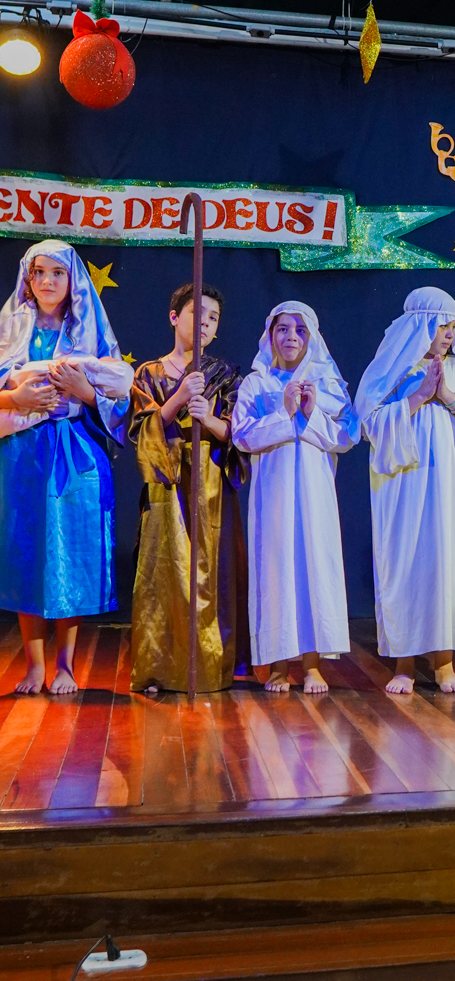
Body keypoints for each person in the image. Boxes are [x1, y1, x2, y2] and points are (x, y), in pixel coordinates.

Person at [0, 240, 132, 695]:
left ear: (72, 280)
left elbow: (121, 396)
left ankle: (65, 665)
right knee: (27, 551)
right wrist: (15, 397)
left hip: (75, 450)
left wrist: (84, 390)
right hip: (22, 453)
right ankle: (34, 665)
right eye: (39, 272)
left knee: (69, 552)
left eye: (57, 273)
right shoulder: (11, 327)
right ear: (28, 277)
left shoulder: (89, 332)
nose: (47, 281)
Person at [355, 288, 455, 695]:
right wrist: (418, 397)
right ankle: (404, 664)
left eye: (454, 327)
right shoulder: (393, 369)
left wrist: (447, 397)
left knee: (449, 565)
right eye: (442, 326)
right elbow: (368, 423)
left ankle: (445, 663)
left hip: (451, 486)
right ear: (420, 326)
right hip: (406, 487)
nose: (450, 334)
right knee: (407, 563)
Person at [129, 283, 249, 694]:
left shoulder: (226, 374)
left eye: (213, 318)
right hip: (167, 482)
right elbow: (140, 431)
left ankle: (210, 667)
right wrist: (179, 398)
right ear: (174, 317)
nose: (205, 323)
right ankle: (159, 667)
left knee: (209, 572)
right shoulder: (148, 374)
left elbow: (240, 434)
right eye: (198, 313)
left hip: (210, 485)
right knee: (164, 571)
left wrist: (210, 420)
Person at [233, 302, 354, 694]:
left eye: (300, 330)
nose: (291, 337)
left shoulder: (328, 385)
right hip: (274, 496)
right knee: (277, 569)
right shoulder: (256, 384)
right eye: (283, 329)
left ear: (312, 337)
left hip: (316, 495)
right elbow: (242, 436)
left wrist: (312, 412)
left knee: (314, 568)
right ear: (270, 335)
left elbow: (346, 437)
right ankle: (279, 666)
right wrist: (285, 413)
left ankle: (313, 666)